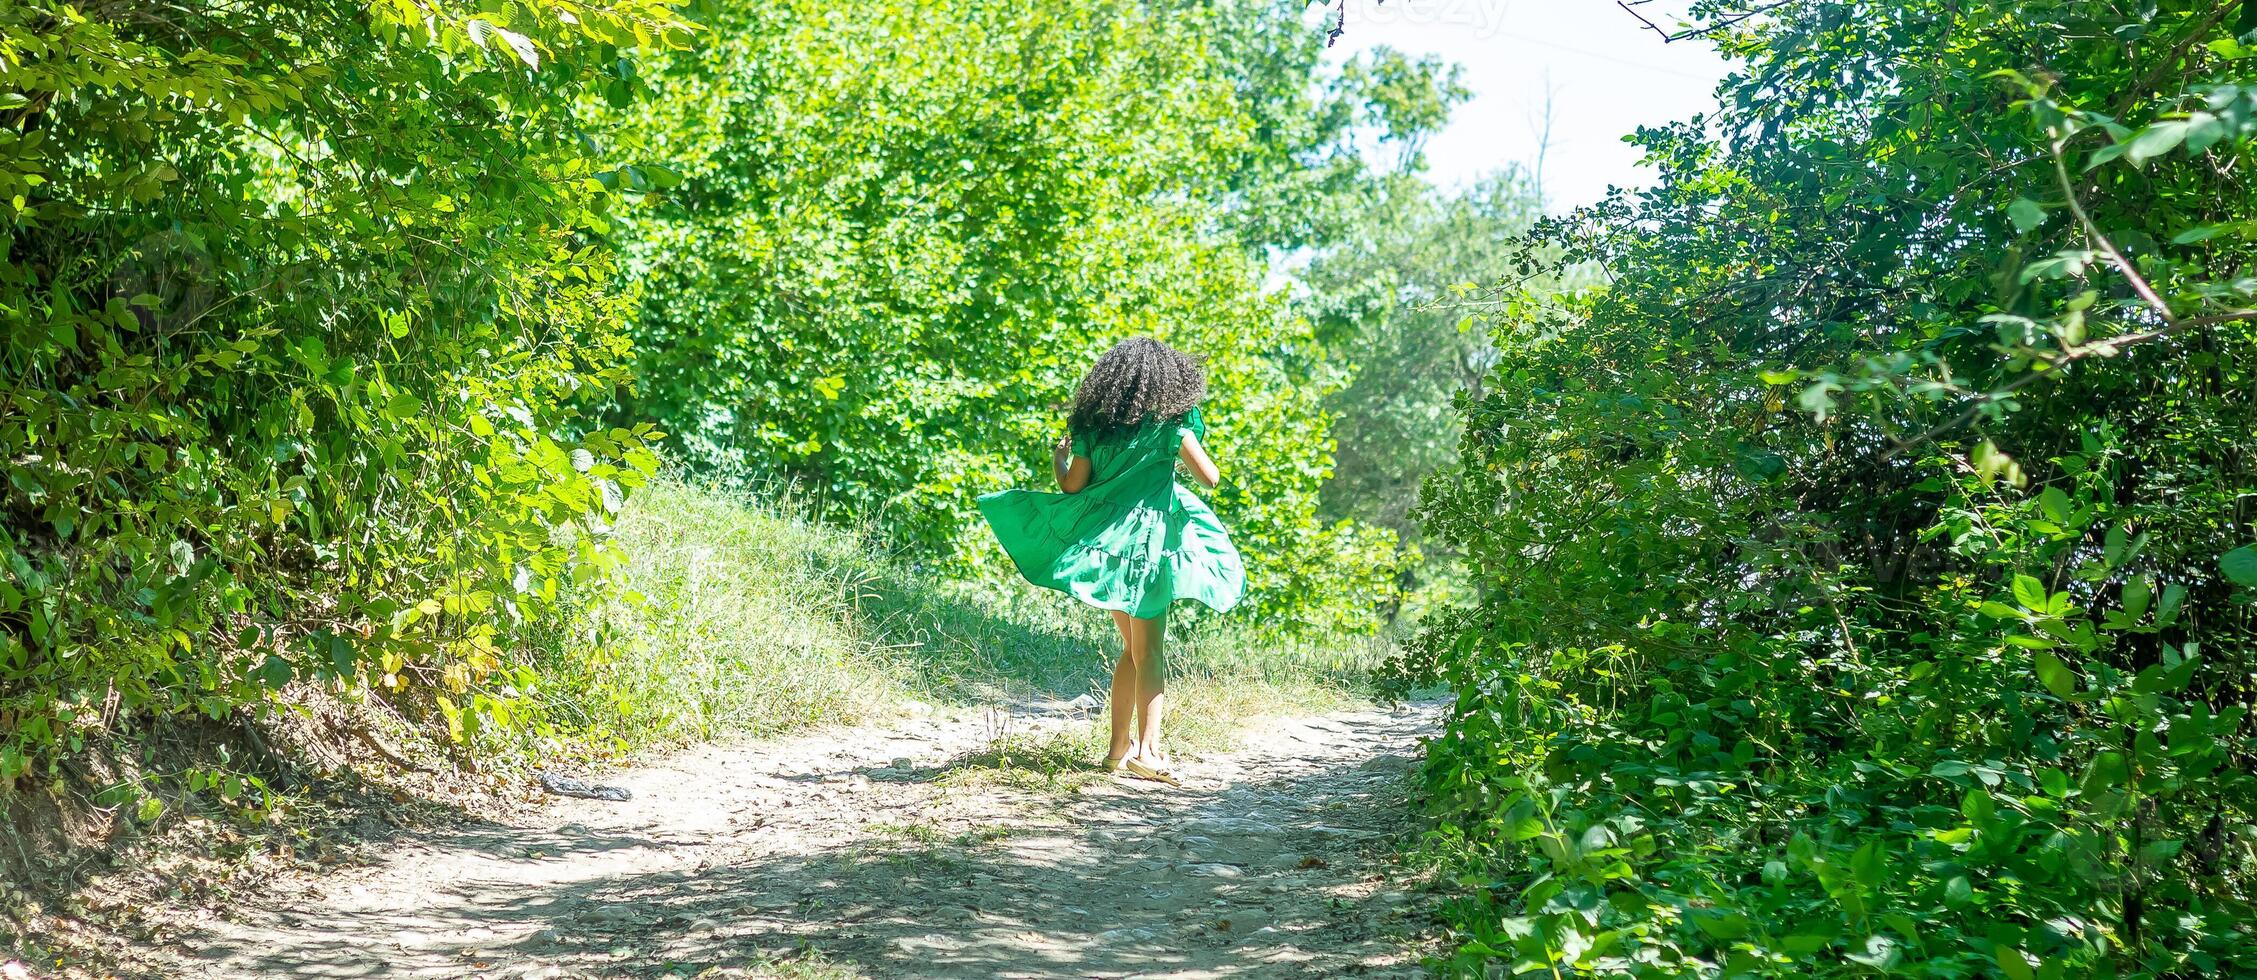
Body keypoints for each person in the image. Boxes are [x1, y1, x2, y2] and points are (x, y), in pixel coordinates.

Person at [976, 338, 1245, 785]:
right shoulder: (1172, 429)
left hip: (1110, 550)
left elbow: (1072, 487)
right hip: (1151, 550)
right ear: (1169, 382)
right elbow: (1210, 478)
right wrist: (1172, 452)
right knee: (1151, 650)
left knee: (1134, 650)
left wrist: (1058, 459)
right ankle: (1150, 752)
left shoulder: (1094, 429)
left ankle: (1117, 751)